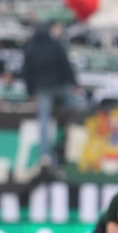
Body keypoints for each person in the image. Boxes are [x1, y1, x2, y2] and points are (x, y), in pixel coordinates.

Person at [21, 21, 79, 168]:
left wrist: (30, 92)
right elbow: (66, 65)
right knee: (74, 114)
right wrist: (74, 84)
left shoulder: (31, 48)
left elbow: (27, 72)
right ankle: (74, 148)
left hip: (43, 90)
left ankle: (45, 155)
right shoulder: (55, 45)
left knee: (44, 121)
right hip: (60, 86)